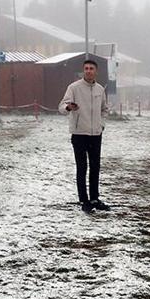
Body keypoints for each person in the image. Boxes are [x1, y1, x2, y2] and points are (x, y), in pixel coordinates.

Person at [59, 59, 110, 213]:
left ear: (96, 71)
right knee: (82, 167)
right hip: (79, 133)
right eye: (86, 68)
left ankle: (94, 198)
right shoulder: (74, 87)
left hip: (95, 134)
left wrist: (101, 125)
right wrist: (68, 107)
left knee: (95, 167)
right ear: (83, 71)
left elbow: (104, 109)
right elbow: (61, 106)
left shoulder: (100, 89)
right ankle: (84, 199)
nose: (88, 71)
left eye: (91, 68)